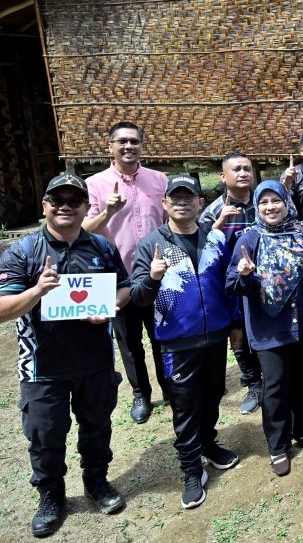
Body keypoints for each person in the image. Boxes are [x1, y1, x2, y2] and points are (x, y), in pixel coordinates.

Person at [0, 173, 131, 538]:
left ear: (87, 207)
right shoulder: (23, 252)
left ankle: (97, 482)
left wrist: (108, 307)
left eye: (74, 200)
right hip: (42, 367)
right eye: (57, 200)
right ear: (44, 206)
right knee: (45, 435)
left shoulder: (102, 249)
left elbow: (124, 290)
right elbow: (2, 308)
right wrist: (37, 291)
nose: (65, 207)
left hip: (95, 362)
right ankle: (51, 495)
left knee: (98, 427)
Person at [131, 175, 238, 509]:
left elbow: (227, 284)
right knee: (185, 405)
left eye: (188, 197)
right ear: (164, 204)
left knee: (214, 393)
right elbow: (137, 297)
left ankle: (209, 443)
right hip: (177, 342)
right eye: (174, 198)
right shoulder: (152, 244)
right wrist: (152, 277)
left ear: (200, 203)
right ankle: (191, 470)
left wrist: (234, 325)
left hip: (215, 336)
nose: (181, 202)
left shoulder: (215, 238)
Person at [227, 181, 303, 477]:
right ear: (257, 207)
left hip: (302, 324)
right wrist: (244, 274)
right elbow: (232, 284)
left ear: (287, 202)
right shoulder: (249, 238)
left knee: (300, 380)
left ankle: (299, 426)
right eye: (264, 202)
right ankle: (277, 445)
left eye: (276, 201)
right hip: (267, 328)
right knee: (274, 387)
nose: (271, 207)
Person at [83, 121, 168, 424]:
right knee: (128, 341)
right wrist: (108, 212)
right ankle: (141, 393)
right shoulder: (95, 184)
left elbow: (170, 223)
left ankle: (169, 385)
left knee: (162, 335)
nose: (128, 146)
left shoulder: (159, 180)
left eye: (134, 141)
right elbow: (83, 230)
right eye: (122, 141)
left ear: (142, 145)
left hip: (157, 274)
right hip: (116, 277)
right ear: (110, 146)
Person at [198, 152, 265, 416]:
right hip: (231, 284)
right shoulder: (213, 211)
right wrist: (218, 225)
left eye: (247, 168)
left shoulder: (265, 202)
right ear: (222, 177)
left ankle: (278, 382)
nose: (243, 173)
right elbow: (201, 251)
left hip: (266, 280)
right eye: (236, 169)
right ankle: (253, 383)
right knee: (238, 334)